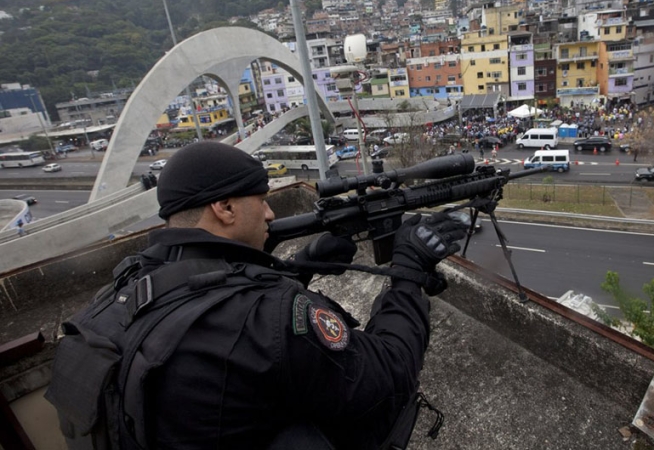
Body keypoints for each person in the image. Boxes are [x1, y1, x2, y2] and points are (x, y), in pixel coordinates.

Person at [46, 141, 469, 450]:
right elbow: (389, 373)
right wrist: (409, 273)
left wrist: (296, 268)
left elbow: (210, 305)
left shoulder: (124, 288)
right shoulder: (273, 315)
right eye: (261, 200)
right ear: (225, 209)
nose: (269, 213)